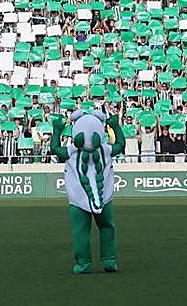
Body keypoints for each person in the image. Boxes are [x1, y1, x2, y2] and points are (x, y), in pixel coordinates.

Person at [51, 108, 125, 274]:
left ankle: (84, 263)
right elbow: (120, 145)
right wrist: (116, 127)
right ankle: (108, 260)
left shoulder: (71, 151)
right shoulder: (104, 149)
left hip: (79, 199)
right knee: (106, 227)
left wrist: (57, 131)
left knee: (81, 232)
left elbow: (55, 148)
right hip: (100, 197)